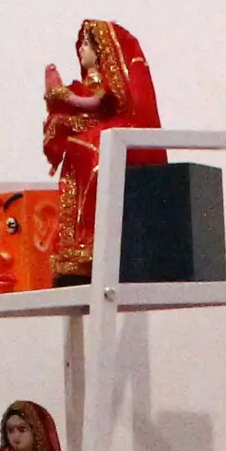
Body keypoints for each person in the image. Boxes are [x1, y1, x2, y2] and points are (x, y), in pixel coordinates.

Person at [42, 21, 164, 283]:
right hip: (82, 143)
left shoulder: (103, 86)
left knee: (90, 151)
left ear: (101, 52)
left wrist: (65, 96)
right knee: (77, 151)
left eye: (88, 44)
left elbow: (95, 103)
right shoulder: (85, 83)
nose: (82, 50)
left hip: (95, 142)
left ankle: (91, 242)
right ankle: (74, 251)